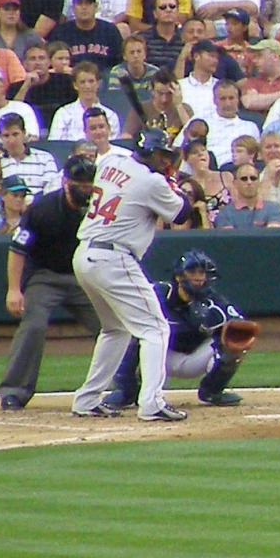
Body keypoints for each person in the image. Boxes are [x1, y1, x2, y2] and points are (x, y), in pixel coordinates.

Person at [70, 129, 190, 424]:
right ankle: (151, 402)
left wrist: (166, 179)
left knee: (115, 329)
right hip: (114, 257)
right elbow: (182, 214)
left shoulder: (112, 161)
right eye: (161, 155)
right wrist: (174, 184)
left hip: (85, 255)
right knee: (156, 329)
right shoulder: (152, 182)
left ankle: (86, 399)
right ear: (148, 152)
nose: (165, 160)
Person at [0, 154, 101, 411]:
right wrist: (14, 289)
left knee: (114, 327)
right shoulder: (42, 209)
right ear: (66, 181)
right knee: (33, 326)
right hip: (45, 276)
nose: (85, 188)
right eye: (80, 183)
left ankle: (126, 387)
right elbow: (17, 249)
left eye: (89, 183)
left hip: (83, 276)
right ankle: (14, 391)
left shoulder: (100, 208)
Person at [101, 248, 254, 410]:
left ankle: (212, 392)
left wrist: (228, 328)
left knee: (234, 343)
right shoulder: (158, 294)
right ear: (179, 276)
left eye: (201, 273)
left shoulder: (213, 300)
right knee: (132, 334)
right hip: (161, 357)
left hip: (197, 358)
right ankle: (125, 392)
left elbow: (241, 326)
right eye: (192, 272)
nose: (198, 278)